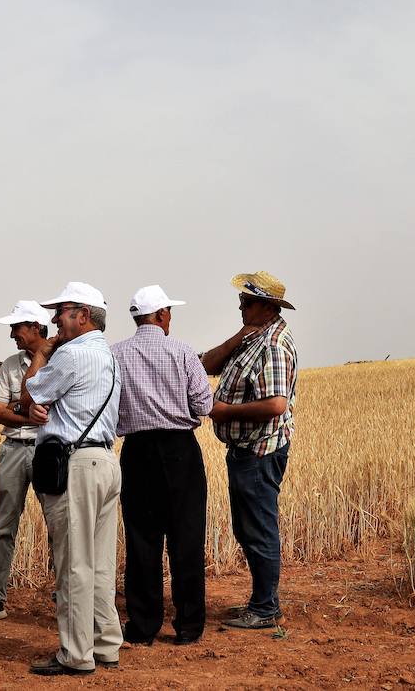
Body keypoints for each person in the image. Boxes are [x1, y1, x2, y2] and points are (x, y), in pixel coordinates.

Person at [20, 282, 122, 676]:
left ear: (82, 314)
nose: (54, 319)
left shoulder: (72, 354)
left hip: (76, 464)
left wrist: (43, 352)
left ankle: (76, 654)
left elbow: (31, 395)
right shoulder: (109, 356)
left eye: (60, 311)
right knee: (100, 563)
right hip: (105, 462)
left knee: (74, 564)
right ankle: (107, 644)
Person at [112, 285, 212, 645]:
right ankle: (188, 626)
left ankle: (142, 625)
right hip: (179, 450)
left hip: (136, 452)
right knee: (186, 539)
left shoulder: (115, 354)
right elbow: (203, 404)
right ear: (162, 315)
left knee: (142, 540)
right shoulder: (183, 350)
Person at [201, 271, 298, 630]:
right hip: (246, 451)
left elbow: (275, 404)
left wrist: (225, 411)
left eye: (246, 302)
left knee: (259, 528)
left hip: (259, 451)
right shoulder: (254, 337)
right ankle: (261, 601)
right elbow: (206, 365)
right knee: (249, 527)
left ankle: (265, 609)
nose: (240, 307)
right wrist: (239, 336)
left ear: (266, 306)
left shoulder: (272, 345)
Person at [0, 299, 53, 622]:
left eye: (16, 328)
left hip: (49, 449)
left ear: (34, 328)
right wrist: (28, 409)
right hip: (15, 449)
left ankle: (64, 595)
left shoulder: (62, 359)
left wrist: (15, 406)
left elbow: (56, 412)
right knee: (4, 525)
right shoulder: (10, 364)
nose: (12, 335)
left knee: (58, 527)